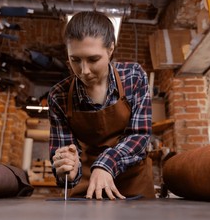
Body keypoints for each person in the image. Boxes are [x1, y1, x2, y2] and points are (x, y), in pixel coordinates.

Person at [48, 11, 155, 200]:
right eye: (75, 60)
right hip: (87, 185)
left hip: (133, 182)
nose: (84, 71)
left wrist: (106, 164)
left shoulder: (134, 76)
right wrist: (66, 169)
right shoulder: (59, 96)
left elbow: (139, 136)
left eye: (93, 59)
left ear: (110, 49)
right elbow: (64, 150)